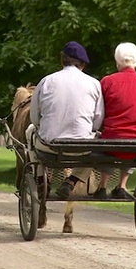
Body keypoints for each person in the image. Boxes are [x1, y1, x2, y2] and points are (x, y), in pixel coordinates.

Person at [26, 41, 104, 200]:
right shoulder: (94, 84)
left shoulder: (46, 81)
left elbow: (34, 117)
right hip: (81, 147)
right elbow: (97, 121)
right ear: (83, 64)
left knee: (30, 131)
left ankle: (41, 179)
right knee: (97, 143)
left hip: (49, 146)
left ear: (62, 60)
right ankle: (71, 181)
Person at [93, 42, 136, 199]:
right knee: (132, 141)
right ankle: (122, 186)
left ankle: (102, 186)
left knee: (105, 143)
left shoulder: (108, 82)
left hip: (113, 142)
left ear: (117, 62)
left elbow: (100, 111)